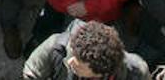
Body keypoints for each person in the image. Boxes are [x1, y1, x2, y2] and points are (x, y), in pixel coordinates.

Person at [22, 19, 151, 80]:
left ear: (98, 72)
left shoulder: (136, 72)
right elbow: (31, 73)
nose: (70, 61)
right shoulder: (58, 47)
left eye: (80, 66)